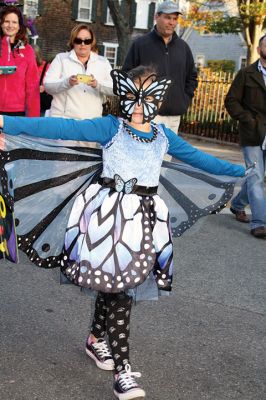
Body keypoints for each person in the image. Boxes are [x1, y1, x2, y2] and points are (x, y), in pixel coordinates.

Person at [0, 66, 247, 400]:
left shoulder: (163, 136)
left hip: (144, 223)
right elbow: (61, 126)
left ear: (160, 98)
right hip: (106, 221)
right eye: (132, 96)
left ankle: (95, 339)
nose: (139, 106)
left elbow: (202, 160)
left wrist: (245, 171)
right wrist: (6, 121)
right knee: (120, 289)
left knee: (120, 284)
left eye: (147, 97)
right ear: (122, 95)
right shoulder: (110, 127)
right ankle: (122, 370)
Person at [122, 0, 197, 134]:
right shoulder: (140, 45)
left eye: (175, 18)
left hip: (174, 116)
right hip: (147, 114)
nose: (172, 22)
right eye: (168, 17)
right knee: (145, 154)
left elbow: (192, 77)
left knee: (166, 155)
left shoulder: (183, 48)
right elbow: (127, 76)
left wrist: (184, 100)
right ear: (157, 17)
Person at [225, 34, 266, 239]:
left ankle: (238, 203)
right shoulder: (246, 74)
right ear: (259, 50)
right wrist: (247, 119)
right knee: (256, 176)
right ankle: (260, 223)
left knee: (257, 176)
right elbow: (231, 101)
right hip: (252, 134)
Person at [44, 23, 113, 120]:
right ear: (73, 41)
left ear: (92, 42)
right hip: (63, 120)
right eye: (78, 40)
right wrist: (67, 82)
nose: (83, 44)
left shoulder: (103, 62)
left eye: (87, 41)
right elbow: (48, 85)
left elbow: (115, 88)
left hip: (92, 121)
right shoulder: (61, 59)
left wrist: (97, 84)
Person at [0, 5, 40, 116]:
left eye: (14, 22)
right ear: (1, 24)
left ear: (19, 26)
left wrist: (33, 118)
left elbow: (32, 86)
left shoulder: (28, 50)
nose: (10, 25)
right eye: (6, 21)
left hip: (17, 112)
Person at [32, 44, 53, 116]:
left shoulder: (47, 66)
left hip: (41, 102)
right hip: (27, 101)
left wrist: (45, 88)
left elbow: (54, 83)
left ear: (37, 55)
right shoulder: (25, 66)